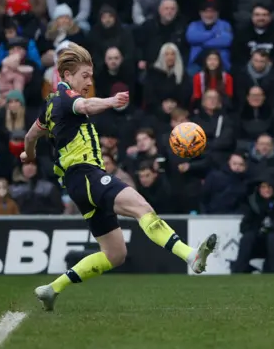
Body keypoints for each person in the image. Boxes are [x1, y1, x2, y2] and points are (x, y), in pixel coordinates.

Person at [22, 42, 217, 311]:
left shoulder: (50, 106)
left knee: (115, 254)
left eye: (91, 76)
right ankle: (190, 255)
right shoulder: (67, 99)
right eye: (84, 76)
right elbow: (86, 105)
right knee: (142, 208)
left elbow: (31, 136)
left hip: (79, 185)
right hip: (87, 175)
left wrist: (28, 155)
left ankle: (52, 289)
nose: (89, 81)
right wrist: (112, 102)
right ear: (66, 76)